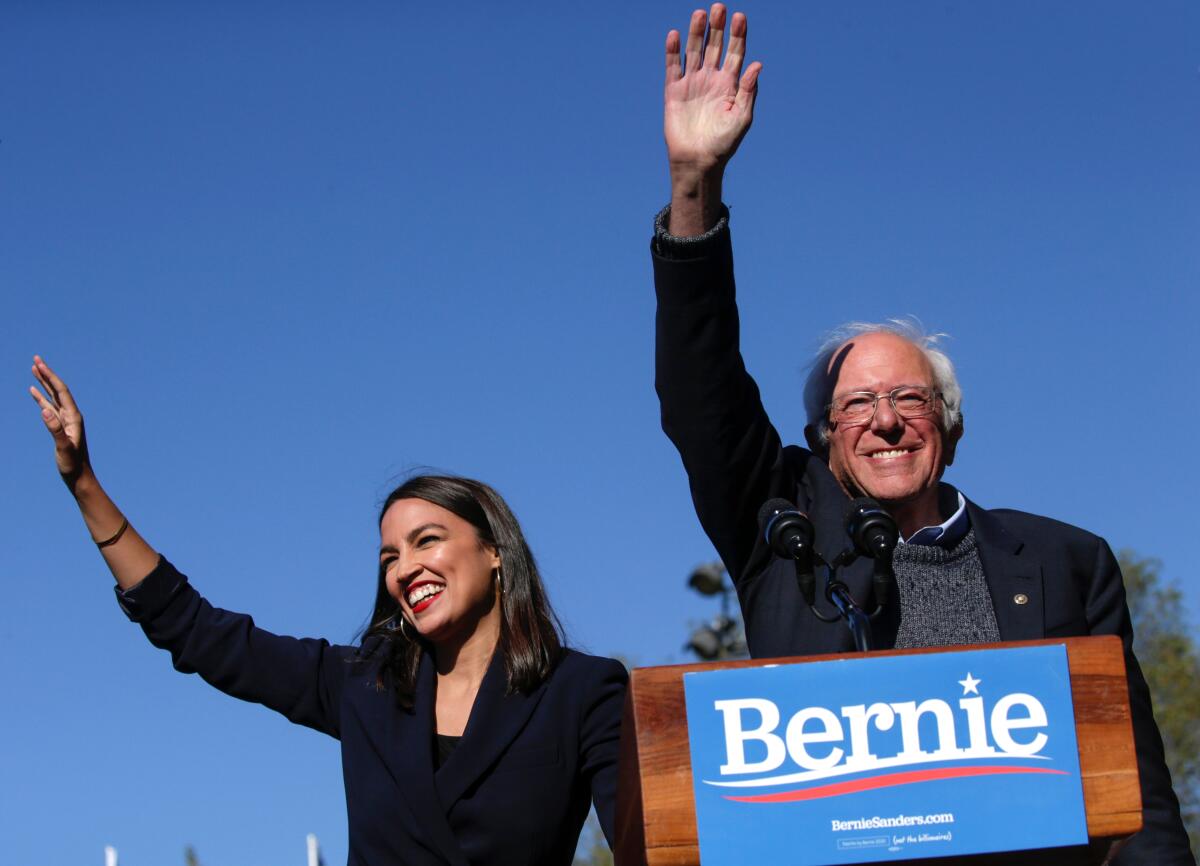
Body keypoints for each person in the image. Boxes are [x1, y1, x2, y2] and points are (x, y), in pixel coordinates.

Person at [650, 6, 1193, 863]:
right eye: (857, 406)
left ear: (949, 424)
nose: (887, 421)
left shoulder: (1066, 562)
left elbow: (1137, 793)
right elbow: (699, 388)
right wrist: (694, 187)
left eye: (909, 398)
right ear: (825, 439)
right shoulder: (780, 529)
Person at [29, 355, 626, 866]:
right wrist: (84, 484)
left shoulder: (582, 692)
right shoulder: (363, 686)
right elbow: (195, 630)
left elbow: (651, 840)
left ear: (494, 550)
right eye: (389, 556)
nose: (404, 569)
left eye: (427, 540)